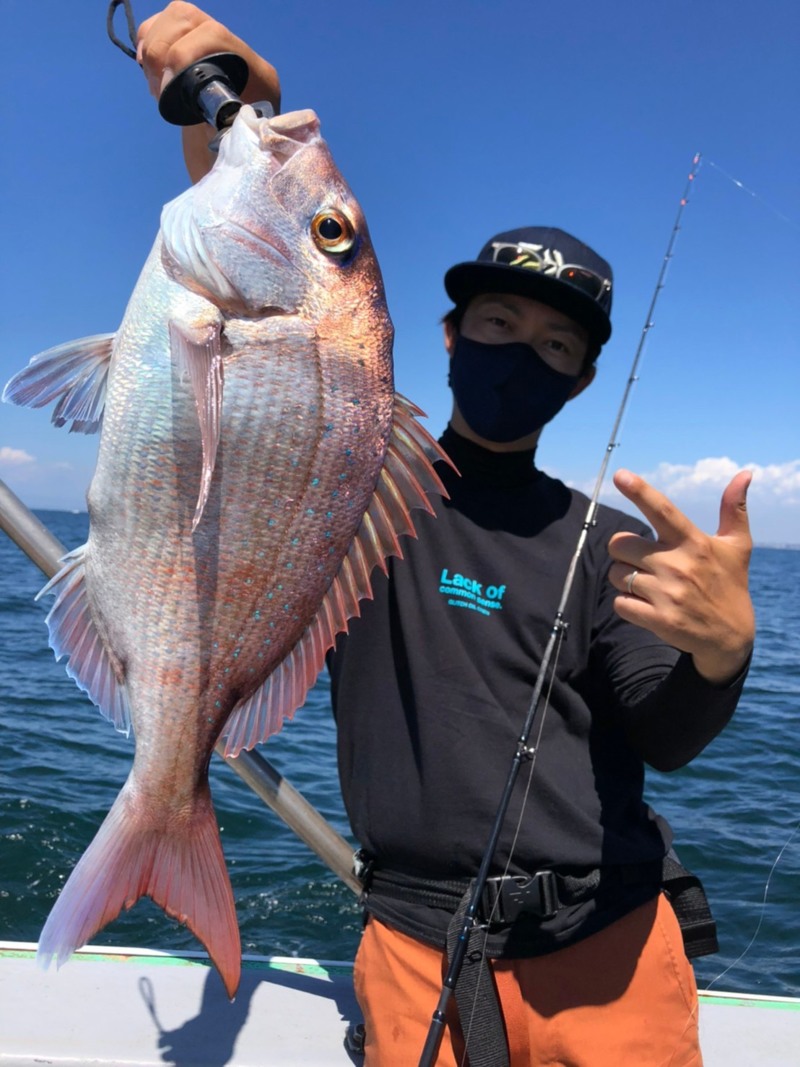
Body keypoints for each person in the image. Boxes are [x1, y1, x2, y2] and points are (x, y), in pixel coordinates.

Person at [139, 7, 755, 1065]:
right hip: (414, 943)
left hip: (609, 944)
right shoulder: (355, 492)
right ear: (448, 335)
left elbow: (663, 732)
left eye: (555, 345)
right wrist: (234, 105)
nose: (522, 353)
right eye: (499, 324)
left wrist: (722, 655)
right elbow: (252, 276)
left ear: (581, 382)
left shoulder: (603, 541)